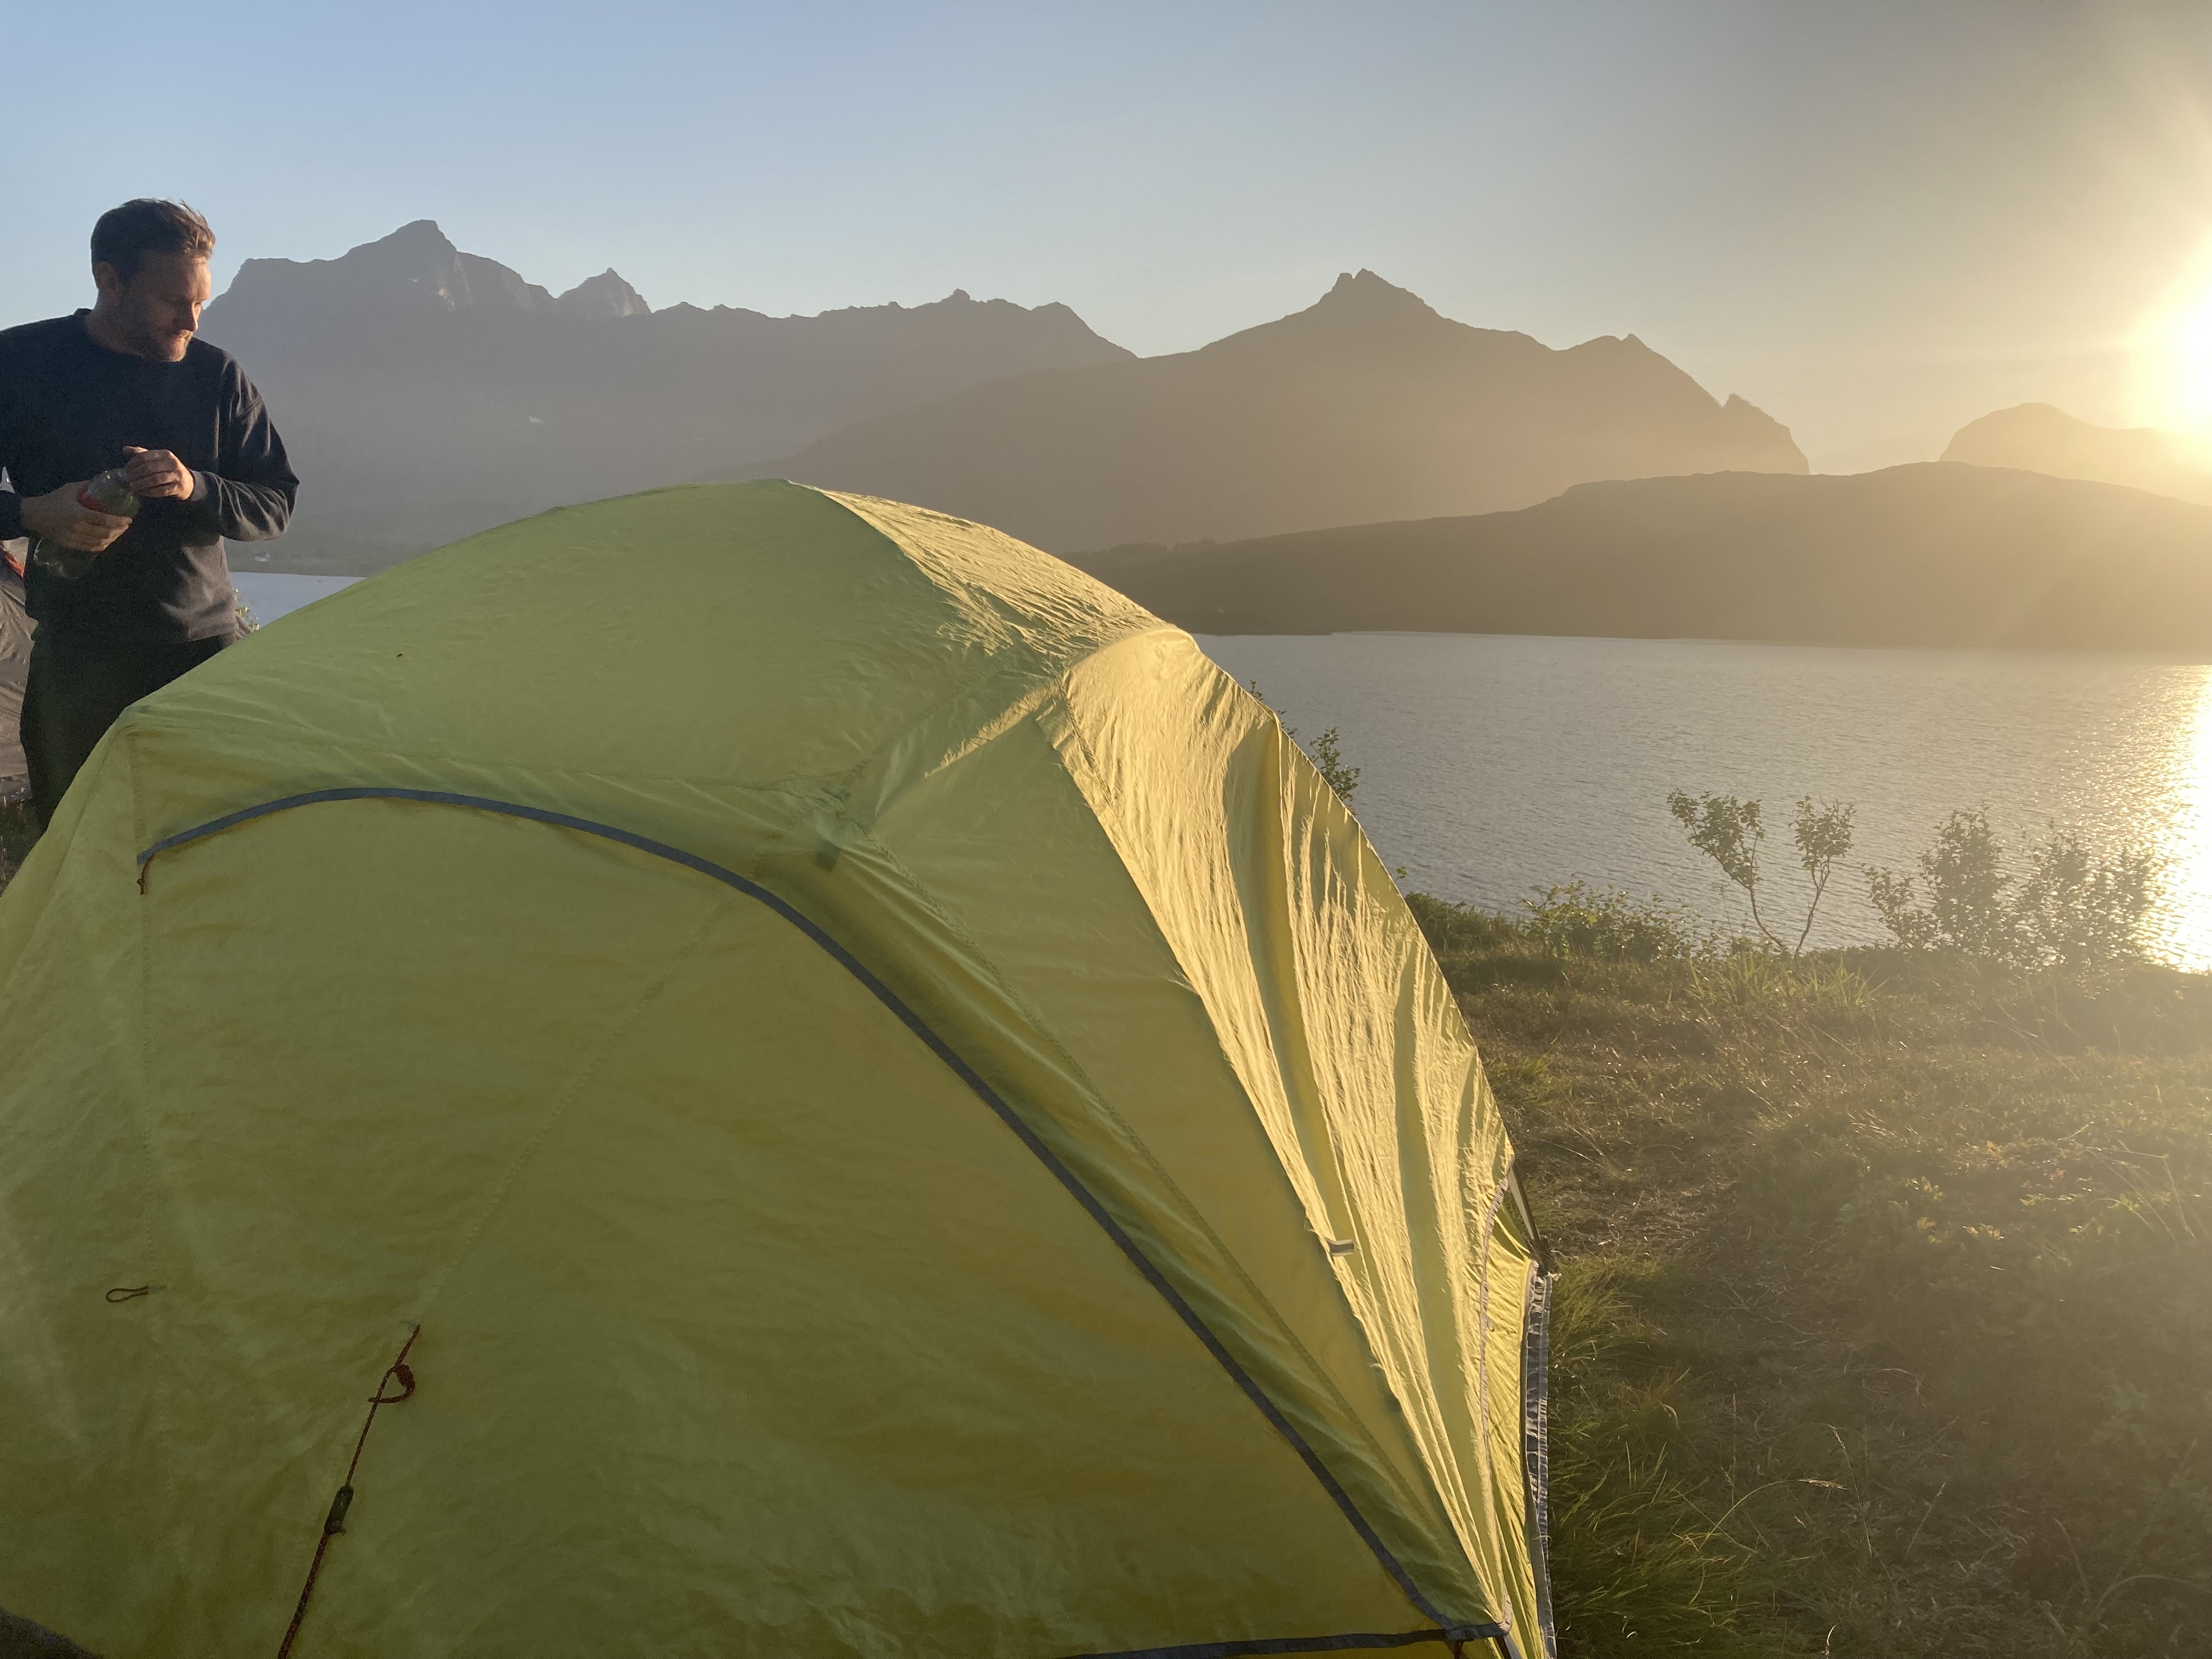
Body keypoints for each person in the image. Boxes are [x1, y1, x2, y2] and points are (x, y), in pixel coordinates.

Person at [0, 199, 298, 830]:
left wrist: (196, 487)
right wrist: (34, 512)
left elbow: (276, 503)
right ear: (110, 280)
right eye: (173, 302)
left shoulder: (217, 376)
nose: (191, 321)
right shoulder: (20, 362)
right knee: (77, 849)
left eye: (201, 304)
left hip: (202, 659)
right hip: (75, 665)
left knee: (205, 849)